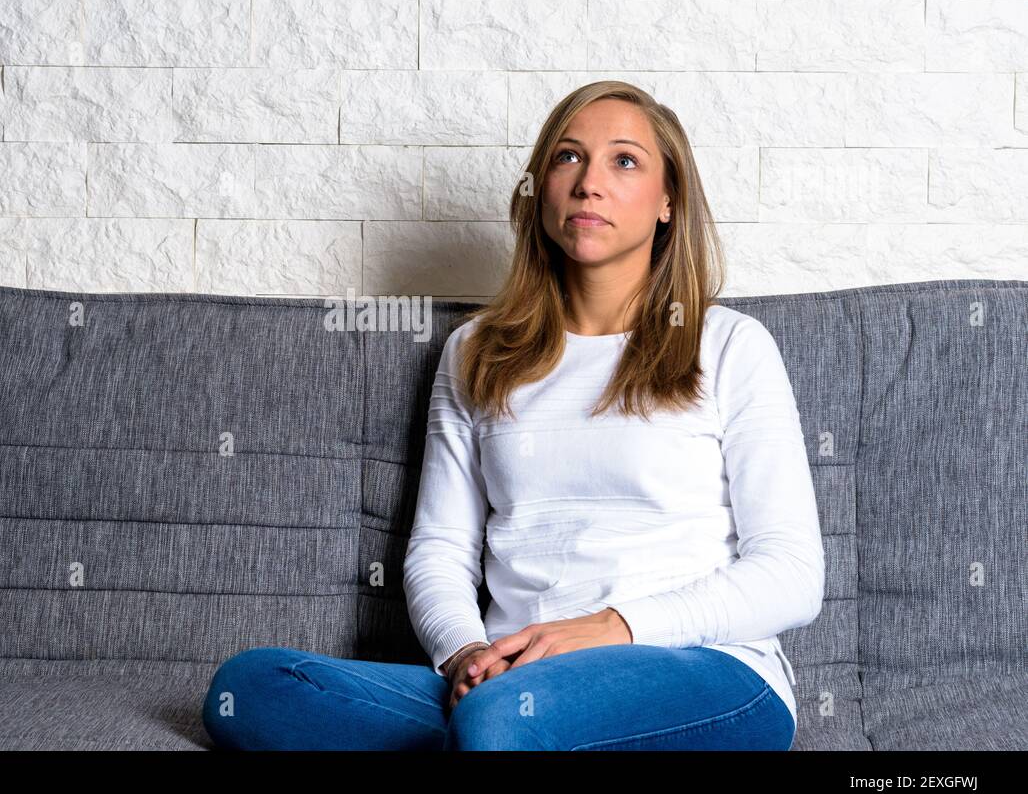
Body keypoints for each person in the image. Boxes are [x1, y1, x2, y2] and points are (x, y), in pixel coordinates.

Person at [202, 80, 824, 750]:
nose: (589, 182)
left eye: (624, 160)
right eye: (567, 157)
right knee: (253, 687)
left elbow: (791, 573)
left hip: (706, 671)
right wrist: (465, 652)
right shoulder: (477, 351)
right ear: (540, 190)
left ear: (668, 200)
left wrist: (611, 626)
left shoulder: (729, 344)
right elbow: (441, 548)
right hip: (509, 679)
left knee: (502, 723)